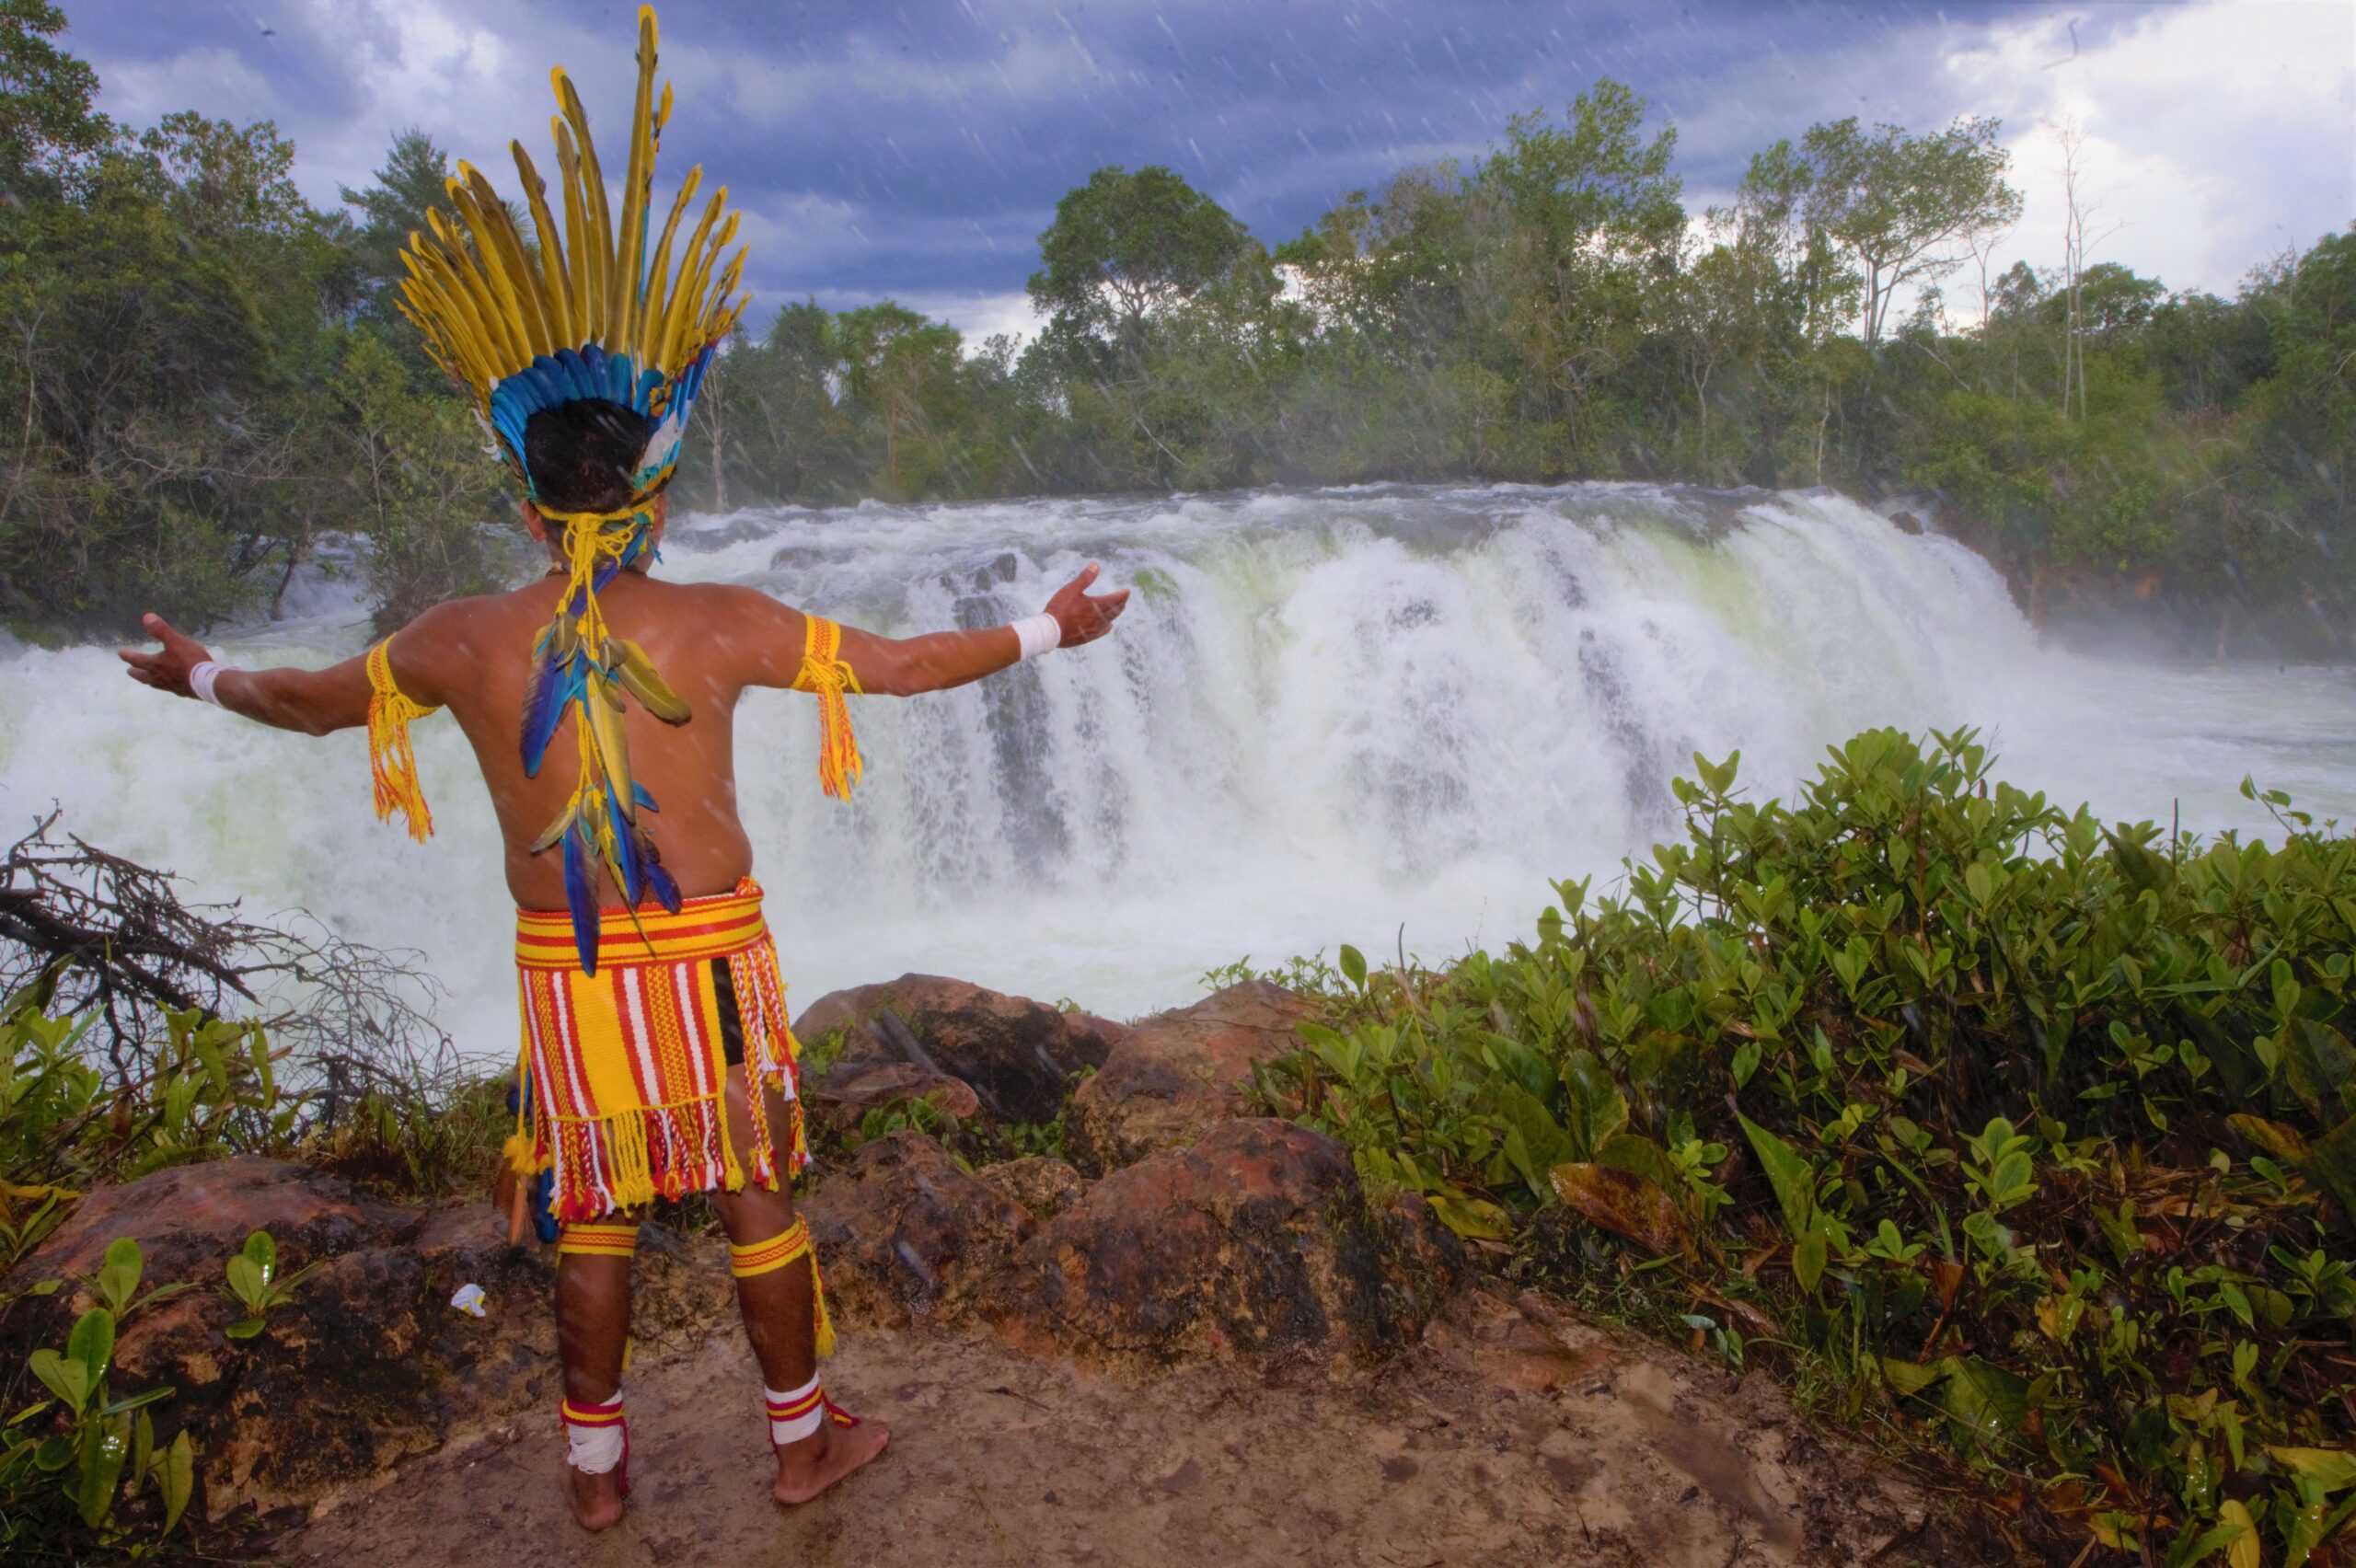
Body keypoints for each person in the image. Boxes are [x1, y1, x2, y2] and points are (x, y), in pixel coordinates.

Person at [116, 6, 1126, 1533]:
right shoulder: (721, 621)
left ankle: (595, 1478)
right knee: (751, 1195)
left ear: (531, 508)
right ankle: (799, 1447)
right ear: (649, 497)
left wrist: (193, 672)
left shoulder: (461, 638)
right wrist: (1047, 632)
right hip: (708, 957)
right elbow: (910, 670)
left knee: (592, 1207)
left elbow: (310, 703)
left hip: (567, 969)